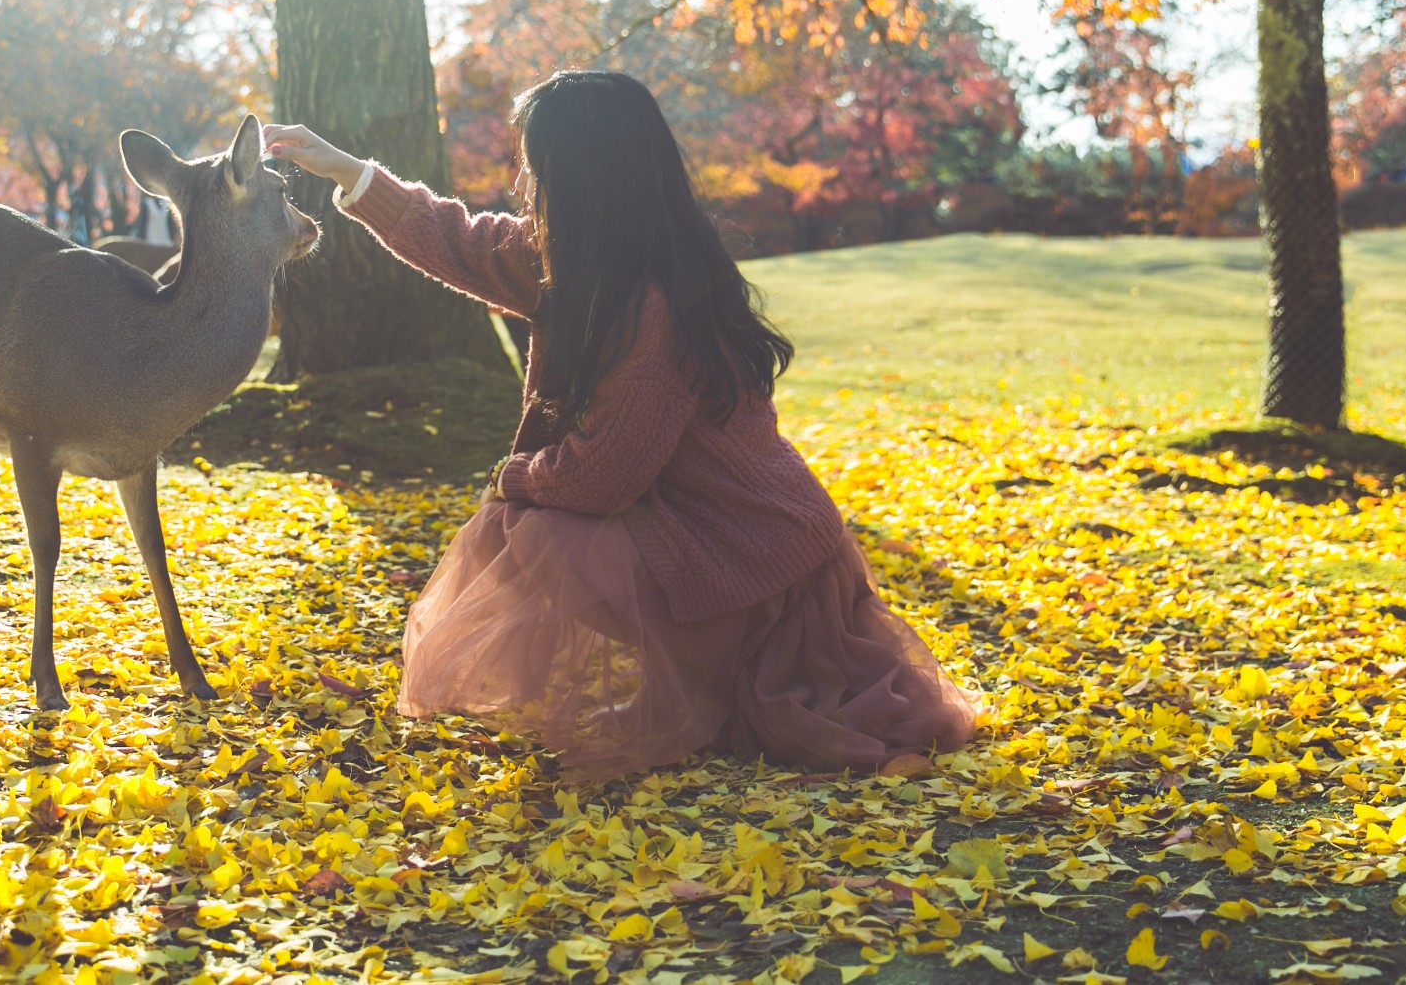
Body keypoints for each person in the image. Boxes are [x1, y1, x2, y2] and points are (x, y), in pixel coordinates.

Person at [264, 72, 977, 778]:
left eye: (533, 165)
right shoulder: (580, 266)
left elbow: (601, 478)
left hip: (758, 560)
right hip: (711, 538)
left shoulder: (651, 305)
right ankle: (698, 685)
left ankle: (712, 684)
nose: (519, 183)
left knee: (529, 526)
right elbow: (463, 240)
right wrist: (346, 171)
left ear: (582, 177)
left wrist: (516, 474)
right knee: (522, 522)